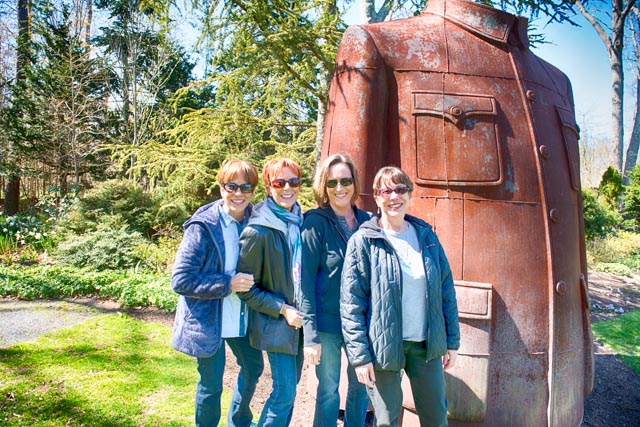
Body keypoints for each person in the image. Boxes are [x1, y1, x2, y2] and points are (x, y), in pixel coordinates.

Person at [341, 166, 460, 427]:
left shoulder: (426, 236)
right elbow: (351, 304)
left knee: (436, 418)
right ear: (377, 197)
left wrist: (451, 341)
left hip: (424, 345)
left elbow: (446, 291)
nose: (394, 196)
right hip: (384, 347)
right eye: (386, 190)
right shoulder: (363, 241)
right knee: (386, 420)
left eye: (400, 189)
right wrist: (360, 357)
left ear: (409, 194)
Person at [171, 158, 264, 427]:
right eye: (231, 186)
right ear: (221, 186)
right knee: (211, 385)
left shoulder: (256, 220)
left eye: (245, 187)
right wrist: (227, 283)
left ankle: (238, 421)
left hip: (241, 316)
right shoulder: (203, 225)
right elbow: (181, 280)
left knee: (253, 367)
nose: (238, 194)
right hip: (207, 319)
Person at [300, 154, 370, 427]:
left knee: (361, 388)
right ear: (323, 186)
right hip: (327, 325)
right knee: (328, 391)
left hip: (361, 324)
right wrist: (310, 334)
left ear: (354, 182)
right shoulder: (315, 222)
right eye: (332, 183)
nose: (339, 188)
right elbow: (304, 282)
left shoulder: (368, 222)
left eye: (345, 181)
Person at [237, 158, 305, 427]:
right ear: (268, 187)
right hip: (276, 322)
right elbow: (246, 289)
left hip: (300, 321)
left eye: (294, 181)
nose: (287, 187)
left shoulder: (301, 221)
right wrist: (283, 309)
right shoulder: (258, 229)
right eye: (279, 182)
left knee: (290, 391)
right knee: (284, 393)